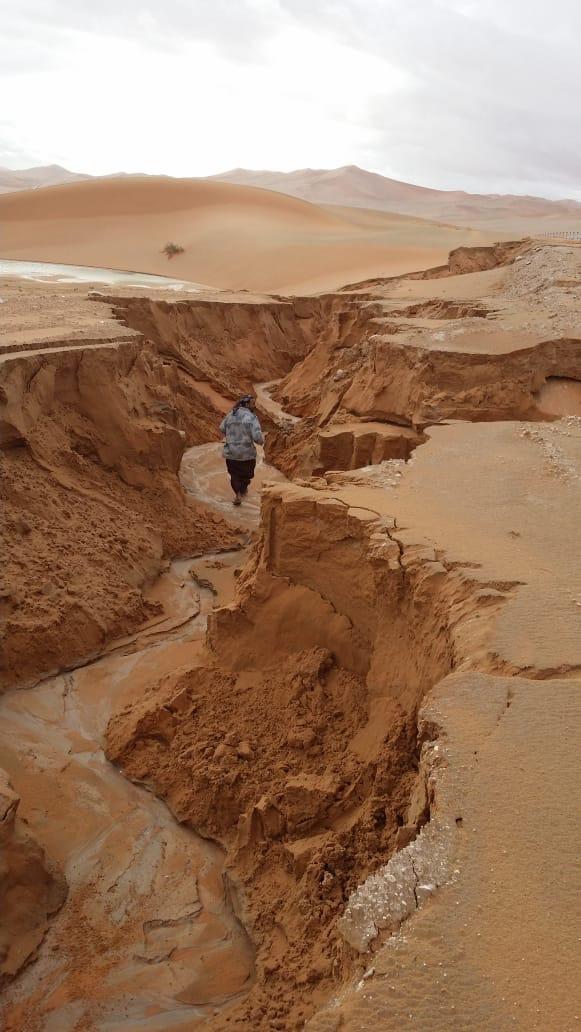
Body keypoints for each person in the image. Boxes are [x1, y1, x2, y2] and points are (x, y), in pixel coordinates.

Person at [219, 395, 264, 506]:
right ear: (246, 404)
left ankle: (238, 494)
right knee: (247, 475)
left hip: (231, 453)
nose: (254, 406)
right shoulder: (252, 417)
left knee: (234, 475)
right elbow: (257, 436)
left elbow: (222, 428)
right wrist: (261, 442)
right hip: (247, 453)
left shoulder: (230, 415)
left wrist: (232, 434)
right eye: (253, 404)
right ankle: (243, 491)